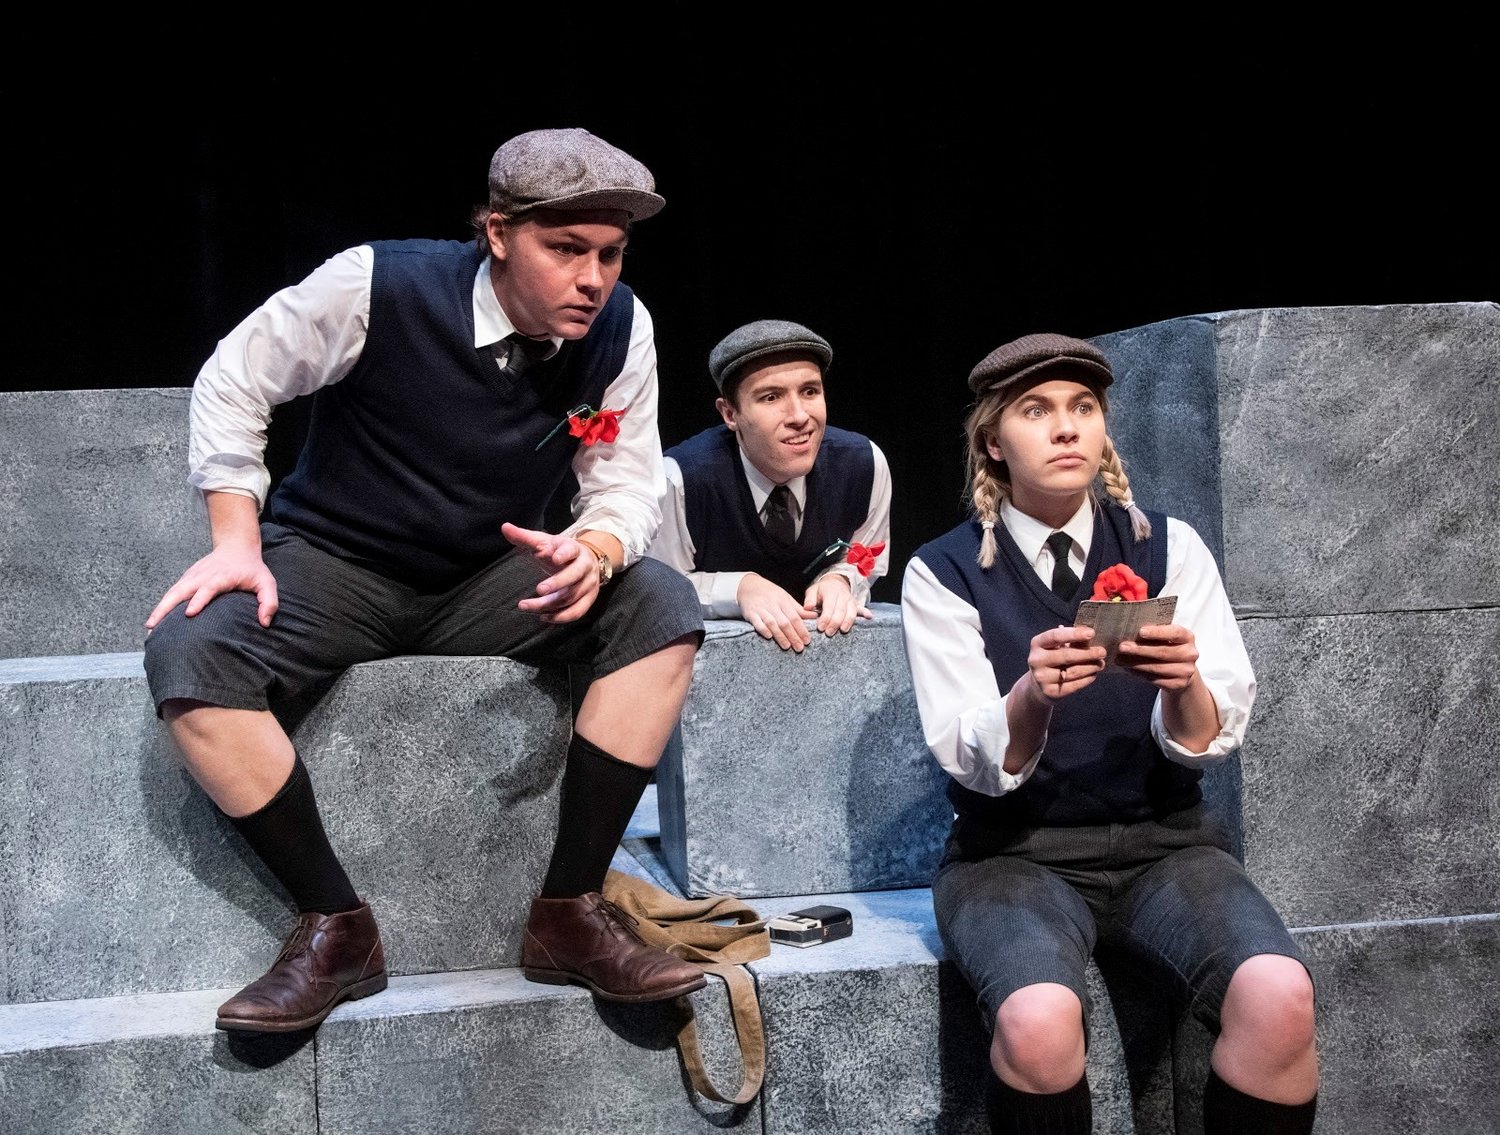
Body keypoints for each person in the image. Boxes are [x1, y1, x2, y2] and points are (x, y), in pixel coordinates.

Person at [143, 127, 708, 1032]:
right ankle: (335, 926)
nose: (592, 279)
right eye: (566, 249)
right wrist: (236, 538)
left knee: (661, 602)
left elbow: (626, 482)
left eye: (610, 254)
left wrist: (598, 549)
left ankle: (569, 913)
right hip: (339, 563)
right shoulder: (379, 285)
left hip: (492, 578)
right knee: (190, 649)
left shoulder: (622, 328)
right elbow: (233, 379)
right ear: (498, 232)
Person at [900, 334, 1318, 1133]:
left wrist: (1181, 680)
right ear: (994, 442)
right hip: (1011, 854)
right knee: (1038, 1019)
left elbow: (1208, 735)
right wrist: (1032, 694)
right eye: (1036, 411)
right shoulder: (945, 570)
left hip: (1166, 842)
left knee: (1280, 996)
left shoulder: (1169, 547)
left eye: (1083, 408)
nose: (1066, 428)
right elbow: (968, 752)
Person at [649, 319, 891, 652]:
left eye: (810, 391)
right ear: (730, 414)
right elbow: (656, 590)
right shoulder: (683, 480)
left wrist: (841, 579)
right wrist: (739, 589)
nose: (799, 416)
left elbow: (867, 556)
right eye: (771, 397)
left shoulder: (863, 465)